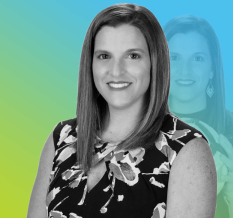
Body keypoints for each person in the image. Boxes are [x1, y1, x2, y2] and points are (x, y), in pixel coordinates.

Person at [27, 4, 217, 218]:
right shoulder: (62, 138)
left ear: (155, 63)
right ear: (90, 64)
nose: (116, 71)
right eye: (104, 56)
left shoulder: (187, 150)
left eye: (133, 56)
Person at [164, 15, 233, 218]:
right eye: (174, 58)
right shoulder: (136, 127)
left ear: (212, 69)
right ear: (161, 66)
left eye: (198, 58)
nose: (185, 70)